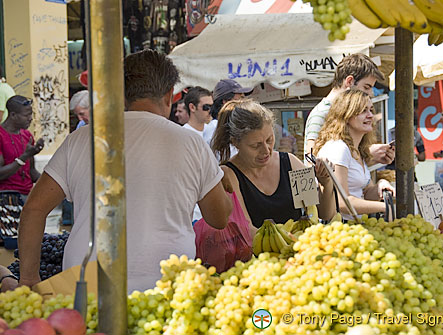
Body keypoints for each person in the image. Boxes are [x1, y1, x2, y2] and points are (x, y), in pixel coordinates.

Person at [18, 49, 233, 292]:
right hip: (168, 285)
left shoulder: (81, 139)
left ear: (120, 94)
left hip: (86, 284)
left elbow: (34, 209)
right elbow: (219, 218)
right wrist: (225, 182)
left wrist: (27, 279)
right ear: (167, 95)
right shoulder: (191, 143)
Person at [212, 99, 336, 232]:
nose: (266, 150)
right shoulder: (229, 175)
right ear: (235, 142)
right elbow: (246, 230)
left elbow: (322, 213)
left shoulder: (290, 163)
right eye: (256, 145)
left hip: (300, 249)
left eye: (269, 140)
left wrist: (326, 184)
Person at [314, 89, 394, 219]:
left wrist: (381, 185)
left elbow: (365, 193)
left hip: (356, 227)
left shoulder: (355, 149)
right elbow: (341, 202)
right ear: (346, 114)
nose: (370, 116)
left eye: (371, 110)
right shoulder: (339, 148)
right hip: (339, 230)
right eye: (363, 110)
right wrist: (385, 207)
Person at [304, 54, 394, 165]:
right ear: (349, 81)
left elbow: (345, 165)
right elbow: (313, 161)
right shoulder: (322, 113)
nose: (370, 93)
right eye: (367, 87)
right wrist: (366, 154)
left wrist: (368, 157)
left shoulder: (344, 112)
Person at [0, 95, 44, 200]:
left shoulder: (27, 135)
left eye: (31, 114)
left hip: (27, 196)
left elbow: (31, 172)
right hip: (6, 197)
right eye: (26, 115)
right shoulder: (1, 135)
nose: (30, 118)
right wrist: (24, 157)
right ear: (13, 115)